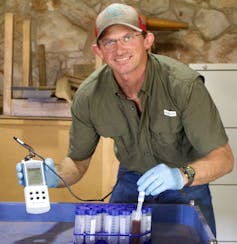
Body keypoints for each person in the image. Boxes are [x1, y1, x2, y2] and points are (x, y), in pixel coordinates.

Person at [16, 3, 234, 236]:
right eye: (109, 41)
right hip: (132, 183)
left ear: (147, 41)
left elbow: (224, 160)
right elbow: (77, 162)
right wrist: (55, 176)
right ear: (98, 50)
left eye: (128, 37)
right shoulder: (88, 97)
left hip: (185, 183)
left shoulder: (183, 85)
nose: (119, 49)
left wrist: (180, 176)